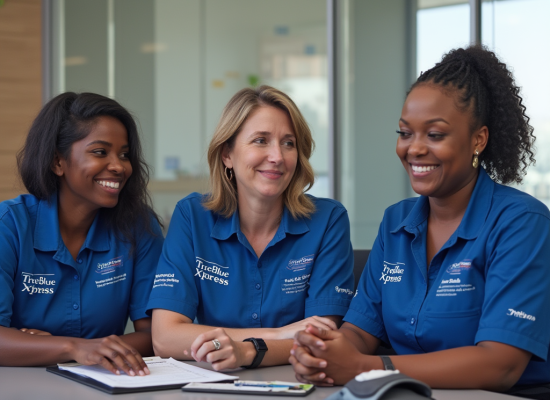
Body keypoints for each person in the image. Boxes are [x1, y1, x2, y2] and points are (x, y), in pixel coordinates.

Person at [290, 45, 550, 394]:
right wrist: (322, 352)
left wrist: (367, 367)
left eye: (435, 134)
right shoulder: (395, 223)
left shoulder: (521, 223)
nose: (414, 148)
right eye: (405, 133)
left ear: (478, 139)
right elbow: (361, 331)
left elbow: (500, 364)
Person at [147, 85, 354, 370]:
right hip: (215, 383)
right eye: (260, 141)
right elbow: (165, 337)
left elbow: (320, 339)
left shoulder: (328, 220)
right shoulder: (192, 216)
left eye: (288, 143)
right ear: (227, 155)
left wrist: (245, 350)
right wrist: (278, 335)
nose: (277, 157)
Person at [0, 92, 164, 376]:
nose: (119, 166)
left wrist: (66, 348)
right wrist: (75, 349)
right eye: (100, 152)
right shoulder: (9, 226)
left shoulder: (138, 226)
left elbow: (157, 335)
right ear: (57, 162)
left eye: (124, 154)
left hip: (105, 387)